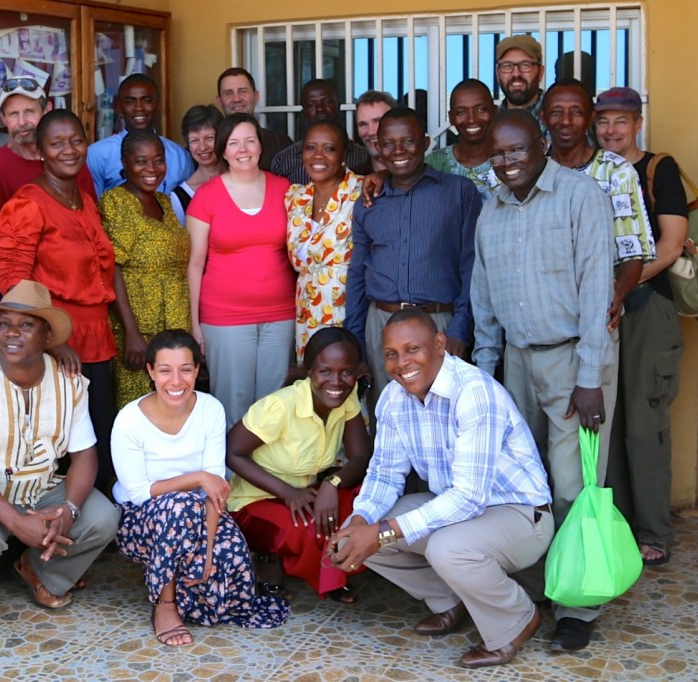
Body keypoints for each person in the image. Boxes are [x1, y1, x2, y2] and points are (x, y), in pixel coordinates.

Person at [328, 309, 553, 668]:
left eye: (412, 349)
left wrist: (382, 532)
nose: (402, 363)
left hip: (520, 515)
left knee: (443, 547)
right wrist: (361, 519)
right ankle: (450, 599)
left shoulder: (473, 392)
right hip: (456, 510)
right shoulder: (393, 399)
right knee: (360, 531)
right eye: (391, 354)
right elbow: (385, 474)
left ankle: (516, 619)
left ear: (439, 344)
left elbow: (470, 496)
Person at [471, 110, 616, 652]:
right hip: (516, 363)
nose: (507, 161)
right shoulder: (492, 212)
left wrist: (591, 376)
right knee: (523, 488)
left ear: (541, 146)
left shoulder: (581, 197)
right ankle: (535, 588)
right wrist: (487, 381)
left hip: (573, 360)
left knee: (573, 482)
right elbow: (483, 303)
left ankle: (577, 605)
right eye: (497, 154)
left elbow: (598, 287)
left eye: (516, 150)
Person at [0, 281, 120, 632]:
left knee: (103, 517)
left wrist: (69, 510)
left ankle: (41, 571)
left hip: (40, 488)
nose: (11, 333)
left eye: (26, 324)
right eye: (4, 324)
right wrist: (17, 523)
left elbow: (85, 456)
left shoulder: (69, 381)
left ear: (48, 335)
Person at [111, 330, 289, 647]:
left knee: (231, 557)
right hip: (141, 521)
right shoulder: (129, 420)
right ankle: (165, 604)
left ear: (197, 370)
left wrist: (207, 553)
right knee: (177, 508)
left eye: (186, 369)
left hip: (202, 511)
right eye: (165, 370)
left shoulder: (210, 409)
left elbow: (214, 487)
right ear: (150, 371)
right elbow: (138, 492)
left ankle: (189, 590)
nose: (176, 381)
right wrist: (196, 478)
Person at [0, 109, 118, 491]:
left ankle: (93, 533)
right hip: (57, 344)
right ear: (41, 151)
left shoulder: (82, 198)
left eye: (76, 141)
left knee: (97, 440)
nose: (69, 150)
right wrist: (54, 340)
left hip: (98, 338)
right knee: (60, 449)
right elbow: (12, 283)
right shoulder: (28, 203)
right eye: (57, 143)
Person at [595, 87, 688, 566]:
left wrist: (619, 287)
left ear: (638, 123)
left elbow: (670, 247)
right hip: (601, 309)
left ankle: (654, 531)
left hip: (646, 307)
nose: (611, 130)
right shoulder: (591, 171)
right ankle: (617, 524)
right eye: (604, 121)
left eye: (621, 121)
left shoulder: (657, 169)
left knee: (643, 420)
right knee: (605, 423)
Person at [346, 107, 481, 404]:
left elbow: (472, 266)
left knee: (447, 414)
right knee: (389, 415)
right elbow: (357, 272)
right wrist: (355, 340)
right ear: (378, 148)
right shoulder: (370, 200)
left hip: (438, 322)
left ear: (425, 143)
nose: (398, 151)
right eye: (389, 143)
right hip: (381, 323)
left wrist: (460, 328)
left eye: (407, 141)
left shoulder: (458, 193)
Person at [226, 327, 371, 602]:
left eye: (346, 372)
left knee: (361, 506)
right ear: (309, 371)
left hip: (307, 493)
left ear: (357, 372)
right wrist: (288, 493)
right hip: (254, 501)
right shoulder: (281, 406)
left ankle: (333, 571)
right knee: (312, 529)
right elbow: (232, 453)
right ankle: (279, 561)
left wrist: (332, 483)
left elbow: (361, 456)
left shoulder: (346, 398)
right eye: (325, 371)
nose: (336, 381)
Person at [186, 113, 296, 428]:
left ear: (261, 146)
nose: (243, 149)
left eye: (250, 140)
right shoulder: (207, 196)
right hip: (225, 317)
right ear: (223, 150)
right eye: (234, 143)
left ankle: (270, 474)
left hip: (280, 314)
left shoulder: (285, 189)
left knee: (275, 403)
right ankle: (233, 476)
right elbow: (194, 264)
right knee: (233, 402)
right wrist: (195, 324)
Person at [0, 77, 97, 354]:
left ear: (46, 110)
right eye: (13, 114)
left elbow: (90, 225)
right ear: (3, 119)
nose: (22, 122)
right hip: (25, 301)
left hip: (81, 299)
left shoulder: (72, 162)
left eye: (29, 112)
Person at [542, 79, 656, 331]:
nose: (566, 121)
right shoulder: (534, 171)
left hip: (596, 311)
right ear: (543, 117)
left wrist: (616, 295)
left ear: (591, 117)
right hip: (542, 312)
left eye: (576, 112)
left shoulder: (616, 170)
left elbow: (633, 252)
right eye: (556, 112)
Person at [100, 130, 191, 408]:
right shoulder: (116, 203)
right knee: (138, 406)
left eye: (158, 160)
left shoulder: (164, 201)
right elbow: (111, 267)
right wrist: (132, 332)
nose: (151, 169)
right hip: (139, 329)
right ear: (124, 163)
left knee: (174, 401)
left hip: (173, 324)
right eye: (141, 161)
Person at [286, 119, 364, 362]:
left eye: (329, 148)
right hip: (306, 314)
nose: (318, 155)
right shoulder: (294, 197)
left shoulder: (364, 191)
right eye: (310, 147)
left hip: (348, 310)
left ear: (344, 153)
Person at [86, 73, 193, 196]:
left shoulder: (180, 156)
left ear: (157, 105)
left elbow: (187, 207)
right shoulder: (97, 154)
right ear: (120, 107)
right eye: (130, 102)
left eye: (146, 100)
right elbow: (91, 205)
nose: (139, 108)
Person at [271, 79, 370, 185]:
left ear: (339, 106)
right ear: (303, 112)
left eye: (327, 101)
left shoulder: (364, 156)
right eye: (311, 105)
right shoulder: (283, 161)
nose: (320, 109)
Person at [424, 79, 500, 200]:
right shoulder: (433, 163)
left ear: (494, 111)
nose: (472, 119)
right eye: (461, 112)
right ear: (451, 118)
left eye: (480, 109)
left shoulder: (508, 160)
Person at [216, 67, 293, 171]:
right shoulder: (209, 144)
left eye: (243, 91)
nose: (236, 99)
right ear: (219, 101)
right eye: (229, 93)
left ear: (256, 96)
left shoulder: (280, 142)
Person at [170, 104, 224, 225]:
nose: (203, 147)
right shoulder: (179, 197)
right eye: (194, 140)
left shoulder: (240, 180)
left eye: (209, 138)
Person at [495, 35, 546, 127]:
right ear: (497, 74)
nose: (516, 74)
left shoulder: (558, 118)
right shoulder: (490, 122)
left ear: (541, 72)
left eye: (525, 65)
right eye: (507, 66)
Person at [352, 90, 397, 175]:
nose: (371, 132)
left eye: (378, 122)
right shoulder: (351, 180)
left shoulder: (422, 177)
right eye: (363, 124)